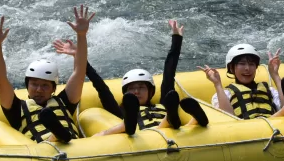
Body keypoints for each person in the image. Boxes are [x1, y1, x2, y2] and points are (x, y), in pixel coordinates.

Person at [53, 20, 209, 136]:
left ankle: (187, 119)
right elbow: (100, 85)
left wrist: (177, 38)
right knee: (157, 116)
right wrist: (78, 56)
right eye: (132, 89)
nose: (136, 91)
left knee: (171, 98)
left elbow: (169, 73)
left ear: (150, 91)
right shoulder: (120, 111)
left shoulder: (164, 103)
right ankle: (170, 120)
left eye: (141, 87)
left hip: (173, 132)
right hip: (143, 137)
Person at [0, 6, 94, 144]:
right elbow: (1, 78)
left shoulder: (65, 101)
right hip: (43, 154)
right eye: (34, 84)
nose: (39, 90)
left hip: (76, 148)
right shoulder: (16, 109)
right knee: (51, 138)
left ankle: (58, 133)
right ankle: (56, 135)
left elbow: (79, 71)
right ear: (27, 85)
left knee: (62, 132)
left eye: (45, 85)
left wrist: (82, 35)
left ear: (54, 88)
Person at [199, 43, 284, 118]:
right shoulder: (224, 94)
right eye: (242, 64)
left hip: (274, 126)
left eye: (252, 64)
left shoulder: (269, 90)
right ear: (231, 68)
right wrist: (217, 84)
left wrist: (275, 75)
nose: (247, 68)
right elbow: (228, 117)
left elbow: (282, 105)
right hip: (245, 130)